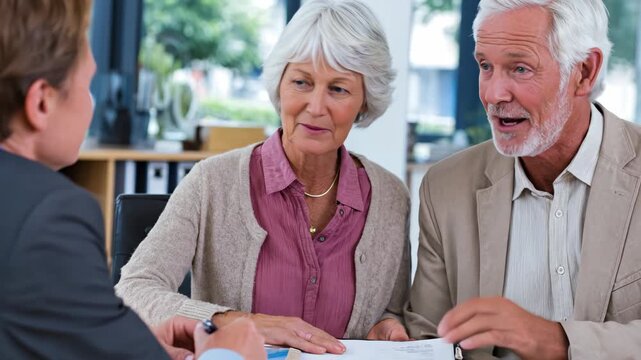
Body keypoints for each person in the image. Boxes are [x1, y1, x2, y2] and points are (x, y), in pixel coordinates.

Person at [115, 0, 411, 354]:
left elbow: (392, 309)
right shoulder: (211, 183)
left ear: (364, 101)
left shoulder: (391, 198)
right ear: (279, 85)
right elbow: (132, 290)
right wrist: (239, 321)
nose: (316, 107)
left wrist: (386, 326)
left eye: (338, 89)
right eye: (302, 82)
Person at [0, 1, 265, 359]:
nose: (92, 105)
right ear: (42, 103)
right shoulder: (50, 215)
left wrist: (134, 346)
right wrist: (230, 355)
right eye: (87, 84)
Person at [404, 0, 641, 359]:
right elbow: (427, 337)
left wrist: (554, 340)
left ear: (585, 72)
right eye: (485, 66)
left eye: (520, 68)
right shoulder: (445, 188)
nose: (493, 94)